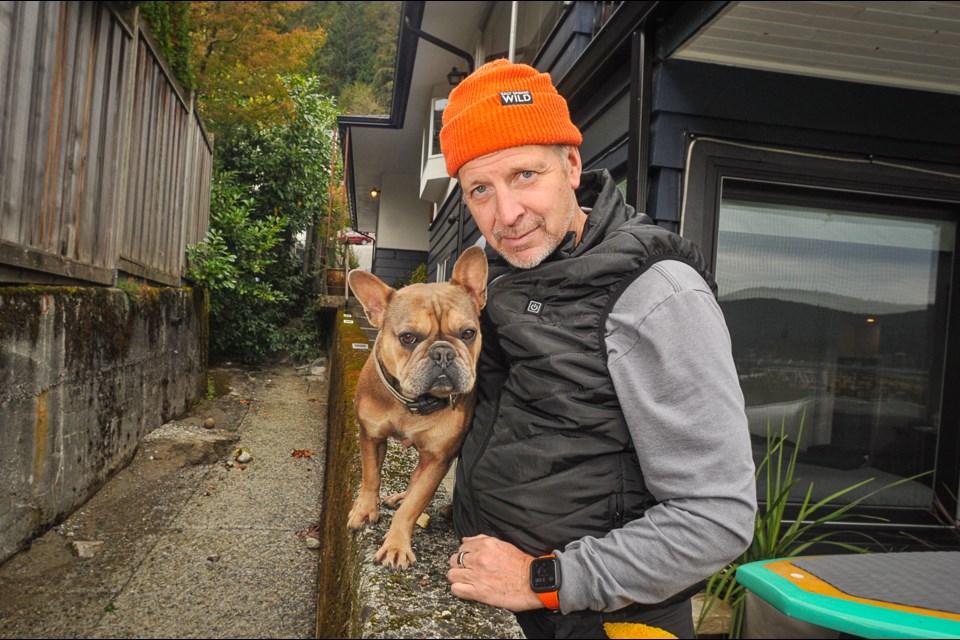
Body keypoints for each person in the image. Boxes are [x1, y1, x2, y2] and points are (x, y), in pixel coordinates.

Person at [439, 59, 757, 639]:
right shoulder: (510, 272)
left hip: (608, 621)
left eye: (525, 175)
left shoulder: (658, 296)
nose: (505, 215)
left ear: (573, 164)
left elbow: (716, 516)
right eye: (480, 189)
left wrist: (543, 578)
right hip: (501, 598)